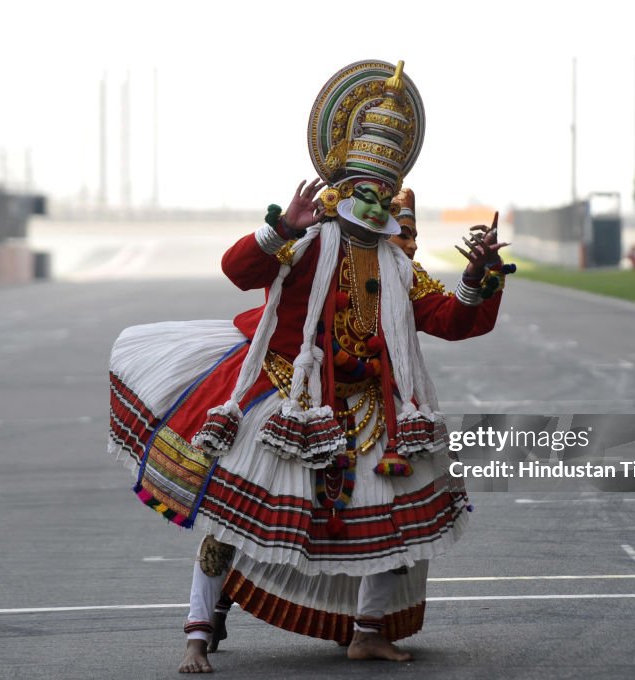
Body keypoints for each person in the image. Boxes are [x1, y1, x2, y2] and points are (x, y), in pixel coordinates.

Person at [107, 59, 510, 674]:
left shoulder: (400, 267)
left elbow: (455, 319)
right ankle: (197, 629)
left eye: (385, 196)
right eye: (363, 192)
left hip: (371, 410)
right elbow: (238, 272)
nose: (374, 205)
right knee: (230, 519)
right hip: (284, 397)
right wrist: (276, 232)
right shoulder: (304, 243)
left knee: (395, 526)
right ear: (339, 188)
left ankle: (368, 630)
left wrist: (481, 278)